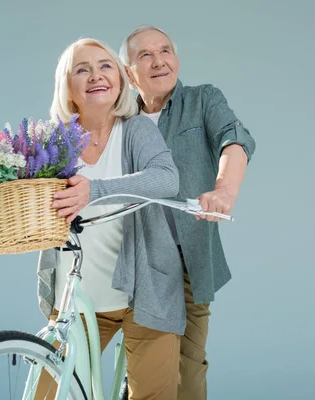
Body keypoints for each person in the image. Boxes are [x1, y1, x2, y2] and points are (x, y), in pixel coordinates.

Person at [35, 37, 186, 400]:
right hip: (78, 299)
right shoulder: (54, 141)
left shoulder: (136, 130)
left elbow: (168, 178)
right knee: (44, 393)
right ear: (68, 86)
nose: (95, 75)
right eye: (82, 69)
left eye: (105, 66)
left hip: (144, 295)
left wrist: (95, 189)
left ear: (119, 79)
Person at [119, 25, 257, 400]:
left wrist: (224, 189)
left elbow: (235, 138)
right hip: (128, 259)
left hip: (186, 262)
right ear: (129, 73)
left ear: (177, 59)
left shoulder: (202, 100)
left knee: (187, 369)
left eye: (165, 50)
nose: (158, 60)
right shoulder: (119, 119)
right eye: (144, 55)